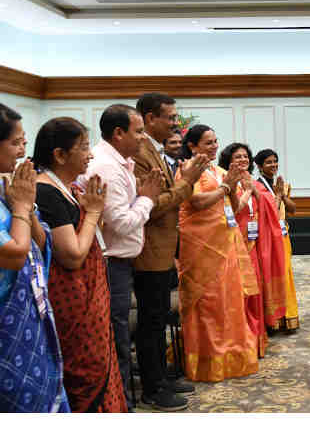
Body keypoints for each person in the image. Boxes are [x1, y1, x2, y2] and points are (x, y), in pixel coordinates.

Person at [0, 100, 69, 412]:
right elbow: (11, 255)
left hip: (21, 321)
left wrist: (26, 204)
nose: (22, 150)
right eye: (15, 142)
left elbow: (38, 240)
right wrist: (20, 207)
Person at [32, 117, 127, 412]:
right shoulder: (45, 191)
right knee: (85, 373)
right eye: (84, 147)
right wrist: (94, 213)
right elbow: (72, 255)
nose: (90, 155)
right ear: (60, 155)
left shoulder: (67, 186)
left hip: (86, 297)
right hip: (72, 300)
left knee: (98, 364)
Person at [82, 104, 162, 411]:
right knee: (116, 336)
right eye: (138, 131)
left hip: (121, 262)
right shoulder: (106, 166)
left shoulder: (121, 162)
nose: (143, 138)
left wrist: (140, 196)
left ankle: (122, 399)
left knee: (119, 333)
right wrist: (148, 199)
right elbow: (122, 222)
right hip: (111, 263)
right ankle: (122, 405)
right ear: (118, 133)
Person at [133, 93, 208, 411]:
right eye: (171, 117)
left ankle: (161, 377)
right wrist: (187, 182)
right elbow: (150, 206)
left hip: (163, 250)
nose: (177, 123)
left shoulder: (154, 149)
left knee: (159, 317)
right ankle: (153, 388)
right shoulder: (138, 153)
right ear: (151, 118)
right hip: (148, 251)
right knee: (150, 322)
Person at [176, 125, 260, 381]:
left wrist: (238, 189)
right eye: (208, 143)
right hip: (201, 245)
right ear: (192, 146)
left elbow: (233, 207)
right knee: (208, 302)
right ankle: (206, 359)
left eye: (215, 142)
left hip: (225, 242)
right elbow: (197, 202)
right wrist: (225, 187)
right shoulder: (188, 170)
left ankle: (231, 353)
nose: (214, 147)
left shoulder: (219, 170)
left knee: (229, 300)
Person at [218, 143, 285, 357]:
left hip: (254, 246)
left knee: (254, 290)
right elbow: (227, 211)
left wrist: (254, 190)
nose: (242, 160)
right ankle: (241, 339)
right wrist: (246, 191)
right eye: (237, 156)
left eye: (245, 156)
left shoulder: (253, 182)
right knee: (239, 293)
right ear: (228, 160)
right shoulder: (223, 181)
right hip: (232, 247)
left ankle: (255, 336)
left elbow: (270, 207)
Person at [254, 148, 300, 332]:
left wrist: (282, 195)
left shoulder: (280, 185)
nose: (273, 165)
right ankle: (272, 320)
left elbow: (293, 209)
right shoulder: (257, 187)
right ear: (259, 166)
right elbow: (264, 212)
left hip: (282, 236)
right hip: (266, 238)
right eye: (268, 162)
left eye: (275, 161)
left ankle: (287, 316)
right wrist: (277, 196)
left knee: (285, 275)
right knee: (269, 276)